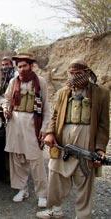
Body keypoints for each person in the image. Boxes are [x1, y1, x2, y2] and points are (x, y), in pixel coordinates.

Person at [36, 59, 110, 219]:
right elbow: (55, 115)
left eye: (79, 73)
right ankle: (54, 209)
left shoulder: (101, 93)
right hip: (62, 140)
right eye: (72, 74)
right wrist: (49, 133)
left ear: (87, 72)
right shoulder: (64, 92)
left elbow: (104, 124)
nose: (75, 77)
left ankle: (83, 215)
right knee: (55, 173)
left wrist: (100, 148)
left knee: (85, 178)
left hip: (87, 140)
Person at [2, 52, 50, 207]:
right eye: (19, 66)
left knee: (35, 160)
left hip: (32, 123)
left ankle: (42, 194)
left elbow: (46, 108)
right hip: (15, 123)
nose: (21, 69)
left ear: (31, 65)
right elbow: (6, 99)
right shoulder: (13, 81)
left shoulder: (40, 82)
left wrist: (44, 128)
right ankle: (22, 189)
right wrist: (5, 107)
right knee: (17, 158)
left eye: (24, 66)